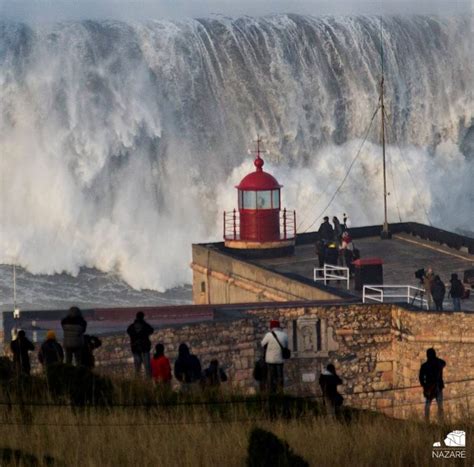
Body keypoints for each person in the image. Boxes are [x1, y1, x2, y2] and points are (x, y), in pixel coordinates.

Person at [261, 320, 289, 394]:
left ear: (271, 327)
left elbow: (262, 344)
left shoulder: (268, 335)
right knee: (280, 376)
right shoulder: (284, 335)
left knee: (271, 376)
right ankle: (280, 391)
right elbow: (286, 346)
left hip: (270, 359)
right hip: (280, 359)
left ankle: (272, 391)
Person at [419, 348, 446, 422]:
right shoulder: (429, 365)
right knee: (433, 405)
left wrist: (424, 385)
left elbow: (421, 377)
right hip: (431, 387)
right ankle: (435, 421)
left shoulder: (426, 365)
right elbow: (421, 377)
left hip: (436, 386)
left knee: (433, 405)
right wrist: (425, 385)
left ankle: (432, 421)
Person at [127, 311, 154, 378]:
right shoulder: (145, 326)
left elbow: (128, 331)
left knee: (137, 369)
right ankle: (148, 384)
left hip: (135, 349)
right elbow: (151, 330)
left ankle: (138, 383)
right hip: (144, 349)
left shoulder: (131, 327)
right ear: (143, 317)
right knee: (147, 369)